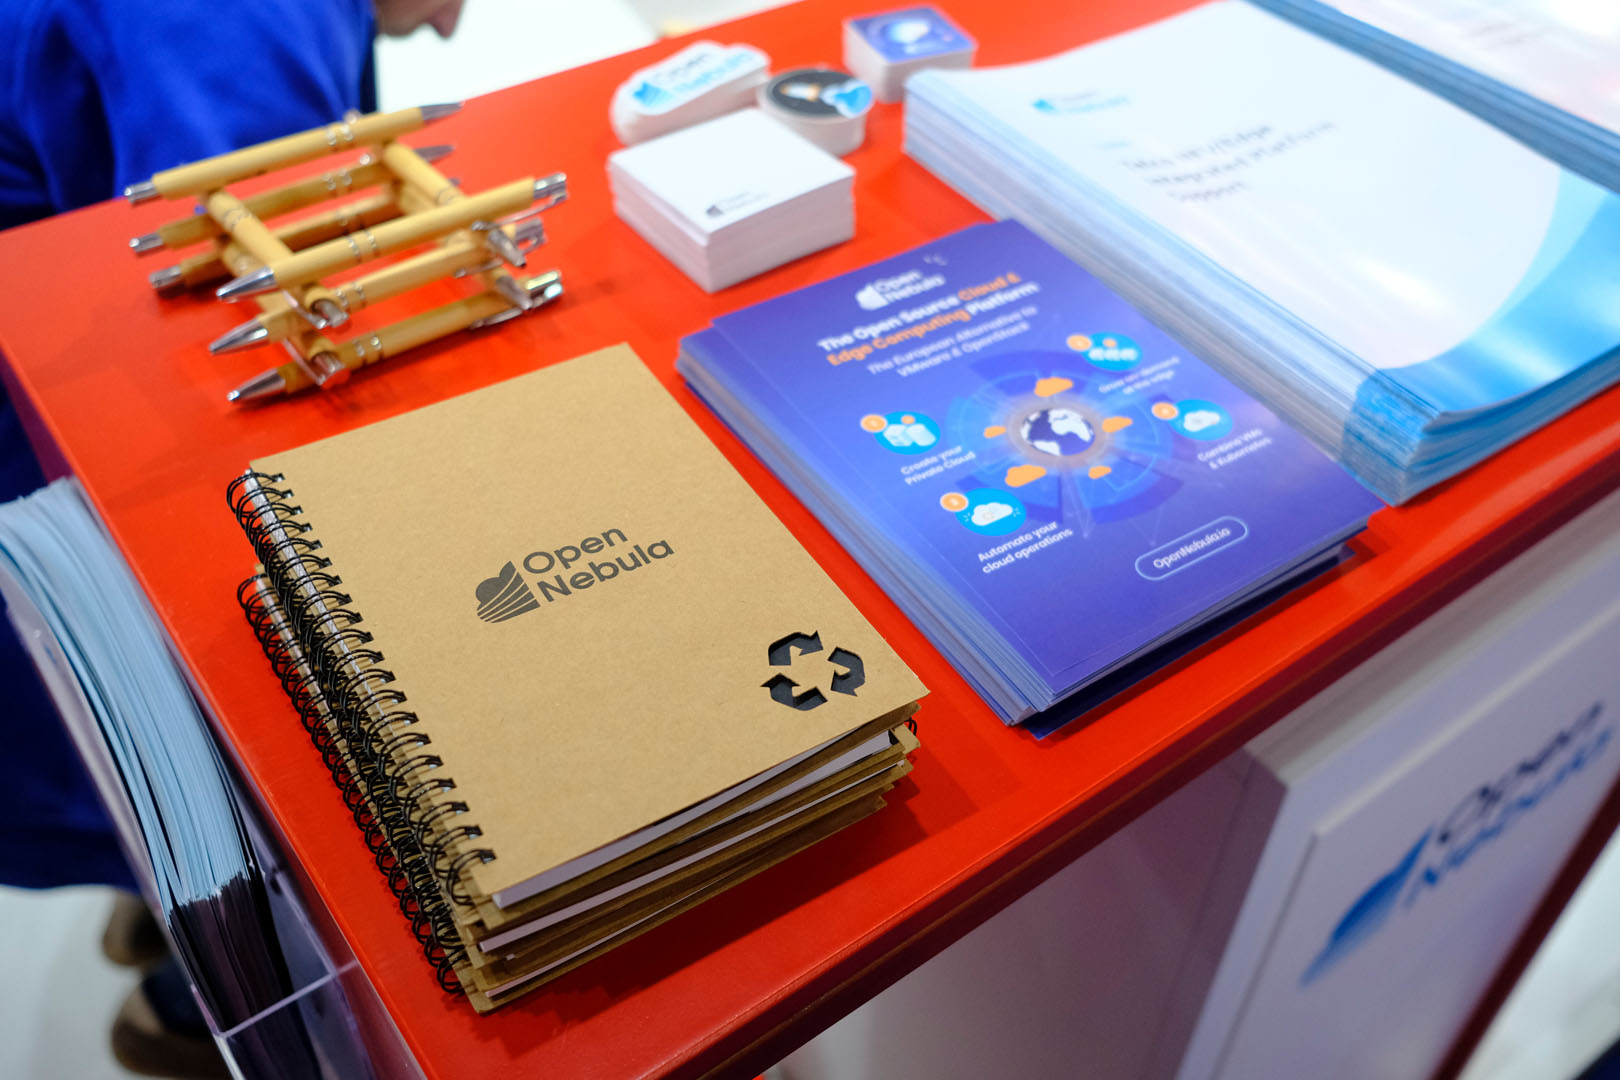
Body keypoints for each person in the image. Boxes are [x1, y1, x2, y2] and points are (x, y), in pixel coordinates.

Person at [0, 2, 466, 1075]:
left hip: (52, 309)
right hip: (36, 448)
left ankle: (161, 890)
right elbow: (255, 331)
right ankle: (215, 962)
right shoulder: (231, 23)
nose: (447, 29)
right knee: (210, 724)